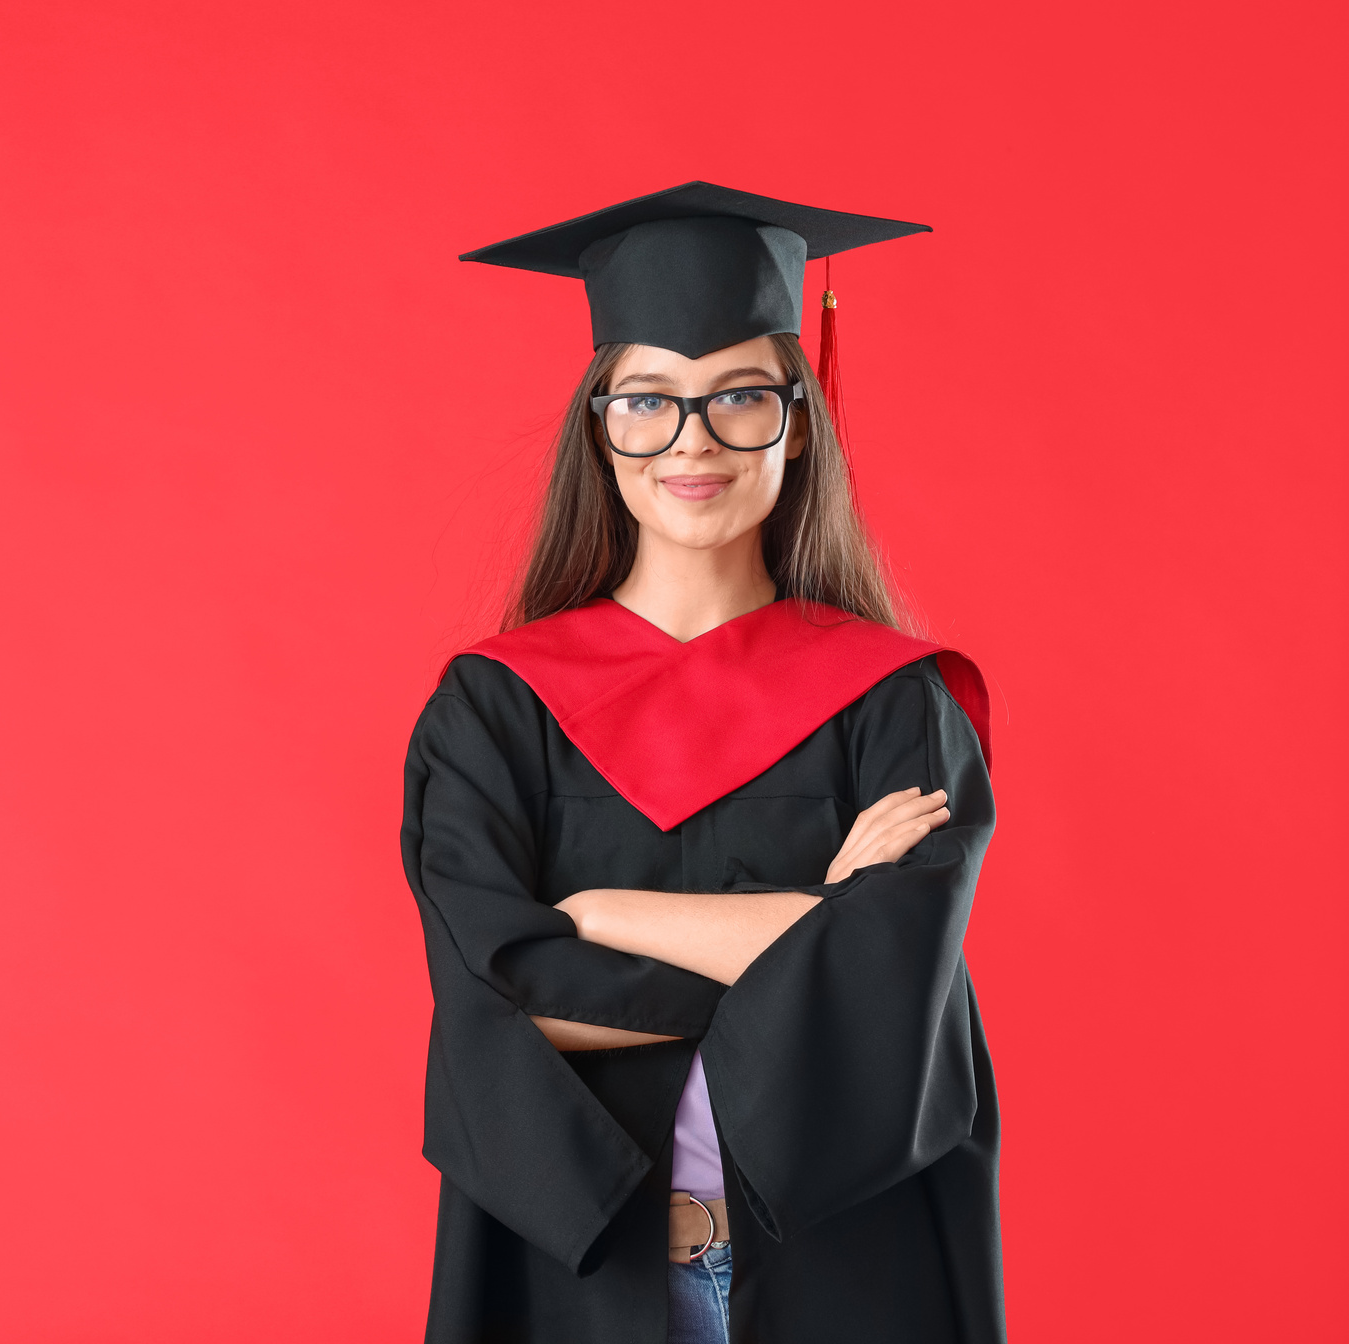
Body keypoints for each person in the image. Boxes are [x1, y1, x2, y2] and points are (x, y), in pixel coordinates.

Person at [400, 183, 1004, 1344]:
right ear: (599, 423)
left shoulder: (895, 702)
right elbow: (489, 997)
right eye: (649, 403)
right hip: (579, 1272)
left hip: (841, 1267)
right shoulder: (495, 709)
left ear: (797, 415)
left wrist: (591, 913)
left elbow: (898, 999)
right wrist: (820, 928)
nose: (692, 442)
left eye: (738, 398)